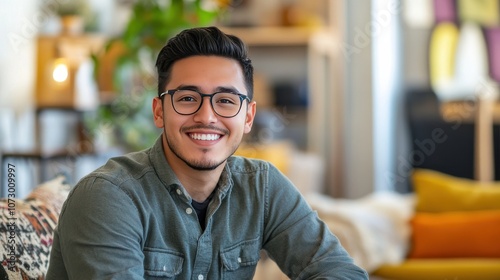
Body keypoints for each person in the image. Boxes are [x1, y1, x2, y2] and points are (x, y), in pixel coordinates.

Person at [47, 26, 368, 279]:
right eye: (187, 98)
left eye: (226, 100)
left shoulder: (263, 186)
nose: (206, 116)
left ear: (248, 117)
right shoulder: (108, 197)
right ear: (159, 111)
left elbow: (339, 271)